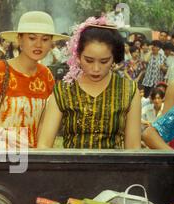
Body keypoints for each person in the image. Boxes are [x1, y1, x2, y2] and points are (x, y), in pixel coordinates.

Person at [37, 17, 141, 150]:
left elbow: (133, 148)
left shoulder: (128, 91)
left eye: (104, 61)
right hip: (72, 169)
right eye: (89, 60)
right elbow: (44, 145)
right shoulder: (64, 90)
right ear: (78, 55)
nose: (96, 68)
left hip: (115, 169)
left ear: (114, 57)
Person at [0, 11, 69, 148]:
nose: (39, 44)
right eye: (32, 38)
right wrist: (2, 134)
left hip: (32, 159)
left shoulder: (46, 76)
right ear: (19, 39)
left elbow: (44, 124)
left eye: (45, 39)